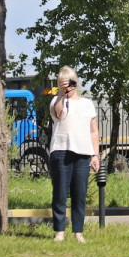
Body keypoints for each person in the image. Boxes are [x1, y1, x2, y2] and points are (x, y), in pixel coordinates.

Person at [48, 66, 100, 243]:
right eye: (62, 84)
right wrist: (63, 94)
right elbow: (59, 114)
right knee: (60, 193)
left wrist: (95, 155)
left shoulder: (87, 104)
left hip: (83, 152)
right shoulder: (57, 101)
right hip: (61, 151)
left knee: (80, 194)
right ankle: (59, 231)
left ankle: (78, 231)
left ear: (76, 83)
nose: (67, 87)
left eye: (69, 83)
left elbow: (93, 131)